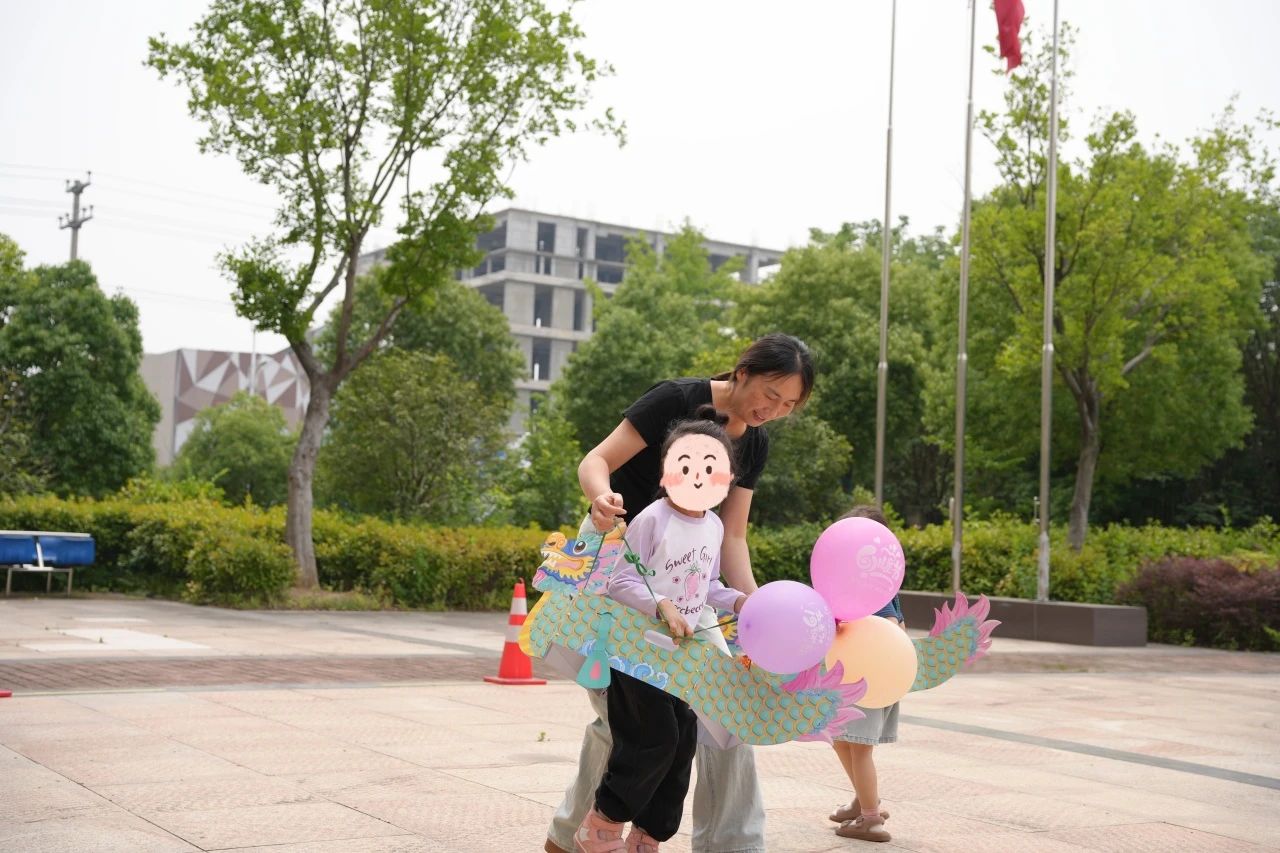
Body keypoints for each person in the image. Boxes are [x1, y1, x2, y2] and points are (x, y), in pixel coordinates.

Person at [545, 333, 815, 853]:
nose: (773, 410)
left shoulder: (754, 442)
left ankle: (732, 845)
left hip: (687, 583)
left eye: (788, 405)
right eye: (771, 394)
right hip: (619, 565)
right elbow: (596, 460)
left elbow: (732, 536)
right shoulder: (674, 399)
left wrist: (755, 610)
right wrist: (601, 498)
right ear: (743, 371)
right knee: (623, 723)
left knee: (729, 709)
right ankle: (575, 836)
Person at [575, 407, 751, 853]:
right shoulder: (653, 518)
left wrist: (740, 601)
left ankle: (649, 836)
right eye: (686, 466)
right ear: (667, 471)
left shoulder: (713, 526)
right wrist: (661, 605)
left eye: (710, 469)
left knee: (682, 741)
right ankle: (601, 825)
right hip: (636, 649)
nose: (697, 478)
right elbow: (619, 580)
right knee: (654, 738)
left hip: (679, 655)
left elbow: (707, 585)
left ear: (728, 479)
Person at [828, 504, 906, 844]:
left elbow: (890, 627)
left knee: (859, 748)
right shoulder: (869, 585)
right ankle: (863, 800)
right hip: (862, 678)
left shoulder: (871, 587)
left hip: (868, 681)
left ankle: (871, 820)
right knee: (840, 738)